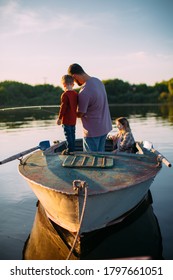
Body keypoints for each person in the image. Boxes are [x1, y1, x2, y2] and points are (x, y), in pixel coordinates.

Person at [67, 63, 112, 152]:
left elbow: (80, 114)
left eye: (74, 80)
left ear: (74, 76)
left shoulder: (84, 91)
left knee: (90, 159)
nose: (75, 83)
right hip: (105, 127)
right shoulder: (98, 81)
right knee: (100, 156)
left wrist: (68, 112)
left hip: (92, 132)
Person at [56, 75, 78, 154]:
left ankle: (70, 150)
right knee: (72, 135)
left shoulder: (65, 95)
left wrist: (59, 118)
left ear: (64, 85)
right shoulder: (75, 94)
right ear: (73, 84)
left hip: (66, 120)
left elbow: (63, 108)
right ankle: (73, 149)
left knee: (68, 135)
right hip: (73, 119)